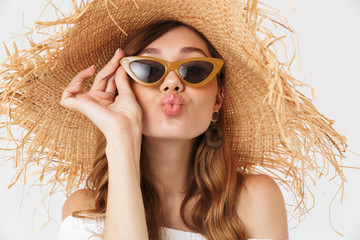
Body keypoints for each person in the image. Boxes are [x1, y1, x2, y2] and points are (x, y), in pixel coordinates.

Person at [0, 0, 346, 240]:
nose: (172, 82)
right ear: (123, 91)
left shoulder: (254, 199)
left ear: (218, 99)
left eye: (194, 69)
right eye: (148, 69)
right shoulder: (85, 208)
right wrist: (121, 137)